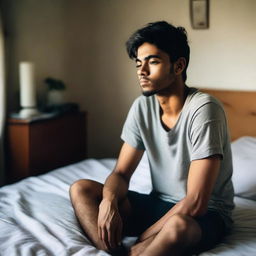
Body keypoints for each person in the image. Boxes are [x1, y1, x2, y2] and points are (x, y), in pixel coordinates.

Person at [69, 21, 234, 256]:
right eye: (138, 63)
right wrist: (109, 202)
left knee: (177, 226)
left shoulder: (204, 109)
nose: (141, 71)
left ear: (178, 66)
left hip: (205, 215)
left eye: (153, 62)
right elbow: (121, 174)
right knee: (81, 189)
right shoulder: (141, 107)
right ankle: (111, 251)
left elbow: (196, 201)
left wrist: (144, 237)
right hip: (158, 204)